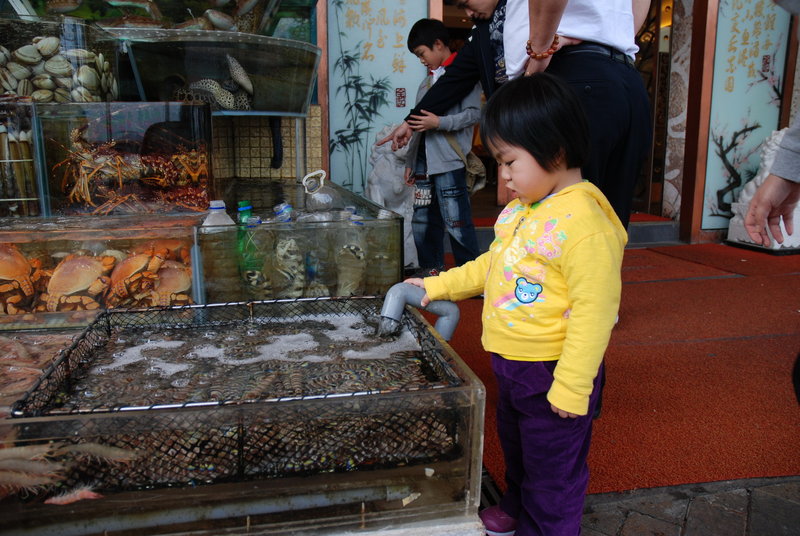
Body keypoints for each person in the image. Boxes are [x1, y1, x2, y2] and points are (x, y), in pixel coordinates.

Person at [406, 73, 627, 536]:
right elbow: (492, 265)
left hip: (553, 369)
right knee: (520, 448)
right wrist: (437, 286)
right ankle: (516, 505)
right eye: (499, 162)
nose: (503, 175)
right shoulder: (524, 209)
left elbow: (595, 312)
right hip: (512, 364)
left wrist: (573, 385)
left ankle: (547, 527)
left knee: (554, 469)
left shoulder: (585, 223)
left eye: (509, 161)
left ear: (555, 150)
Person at [379, 0, 651, 229]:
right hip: (625, 80)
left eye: (466, 3)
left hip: (570, 81)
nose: (468, 12)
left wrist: (540, 54)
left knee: (563, 223)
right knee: (608, 223)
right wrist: (410, 122)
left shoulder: (519, 28)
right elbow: (454, 80)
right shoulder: (484, 30)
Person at [403, 18, 482, 275]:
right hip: (423, 163)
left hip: (449, 161)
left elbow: (474, 114)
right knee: (422, 220)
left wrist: (440, 122)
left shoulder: (464, 75)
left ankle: (469, 277)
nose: (421, 60)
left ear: (438, 44)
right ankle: (431, 272)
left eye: (422, 53)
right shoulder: (425, 84)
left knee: (457, 221)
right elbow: (416, 126)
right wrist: (411, 161)